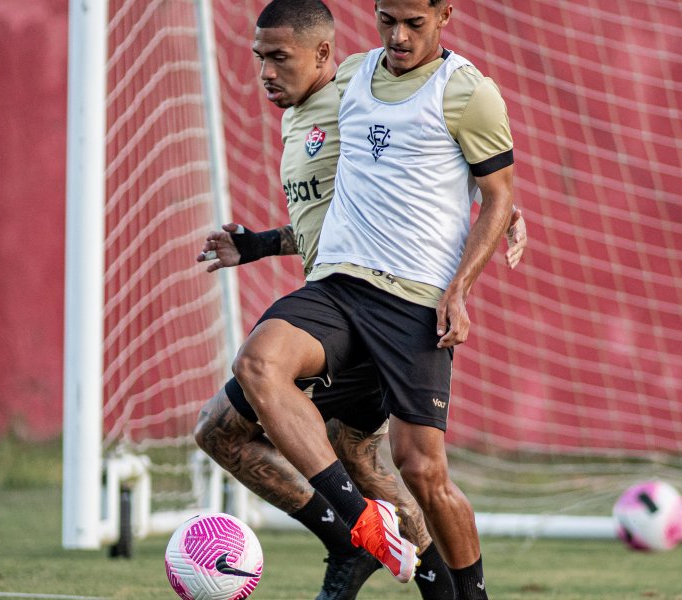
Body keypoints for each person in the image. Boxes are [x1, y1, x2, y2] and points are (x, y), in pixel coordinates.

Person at [193, 1, 526, 598]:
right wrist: (262, 243)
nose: (397, 36)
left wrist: (488, 238)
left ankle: (450, 587)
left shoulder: (463, 92)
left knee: (412, 469)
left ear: (444, 14)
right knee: (249, 389)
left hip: (410, 303)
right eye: (385, 19)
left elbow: (479, 182)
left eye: (279, 58)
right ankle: (359, 534)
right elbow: (345, 201)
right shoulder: (348, 83)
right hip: (339, 290)